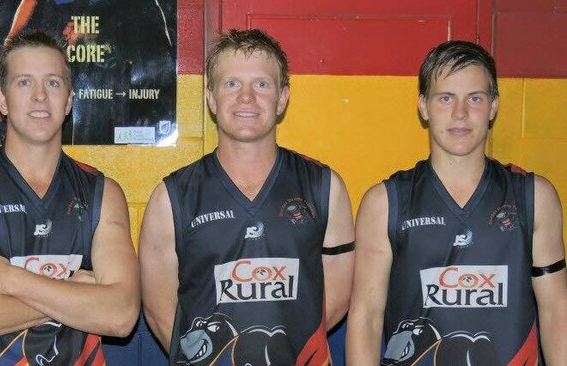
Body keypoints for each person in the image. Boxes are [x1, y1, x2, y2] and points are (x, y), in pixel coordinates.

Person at [0, 29, 140, 365]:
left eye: (52, 83)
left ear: (68, 101)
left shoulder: (102, 193)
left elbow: (120, 316)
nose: (40, 96)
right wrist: (76, 296)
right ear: (2, 99)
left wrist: (8, 279)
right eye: (24, 82)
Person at [139, 28, 355, 365]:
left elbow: (338, 299)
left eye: (262, 84)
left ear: (282, 97)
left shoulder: (325, 186)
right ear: (211, 97)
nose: (246, 97)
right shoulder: (171, 197)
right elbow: (158, 311)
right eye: (232, 84)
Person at [346, 40, 567, 365]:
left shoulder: (535, 196)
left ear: (493, 106)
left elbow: (555, 310)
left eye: (474, 98)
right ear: (424, 106)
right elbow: (366, 317)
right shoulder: (385, 203)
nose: (460, 113)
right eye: (445, 98)